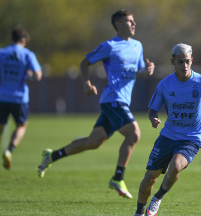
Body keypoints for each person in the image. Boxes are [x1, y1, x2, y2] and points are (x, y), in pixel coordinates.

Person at [37, 9, 155, 199]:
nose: (134, 24)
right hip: (113, 100)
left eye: (134, 21)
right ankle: (118, 177)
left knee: (93, 143)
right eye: (129, 21)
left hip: (121, 101)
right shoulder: (109, 46)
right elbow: (85, 63)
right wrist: (86, 83)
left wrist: (147, 70)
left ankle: (52, 156)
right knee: (134, 134)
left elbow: (137, 72)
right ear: (118, 24)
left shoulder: (137, 46)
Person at [129, 43, 201, 216]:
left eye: (187, 61)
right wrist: (153, 118)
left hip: (191, 139)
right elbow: (152, 110)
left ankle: (158, 198)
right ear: (173, 62)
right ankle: (139, 212)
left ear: (192, 60)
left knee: (176, 166)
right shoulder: (165, 84)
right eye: (180, 62)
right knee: (149, 178)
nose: (185, 66)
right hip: (168, 136)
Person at [0, 25, 42, 172]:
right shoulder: (28, 54)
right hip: (19, 98)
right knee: (21, 125)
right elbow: (38, 75)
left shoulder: (0, 52)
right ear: (24, 40)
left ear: (11, 39)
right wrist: (29, 75)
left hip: (1, 95)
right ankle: (9, 150)